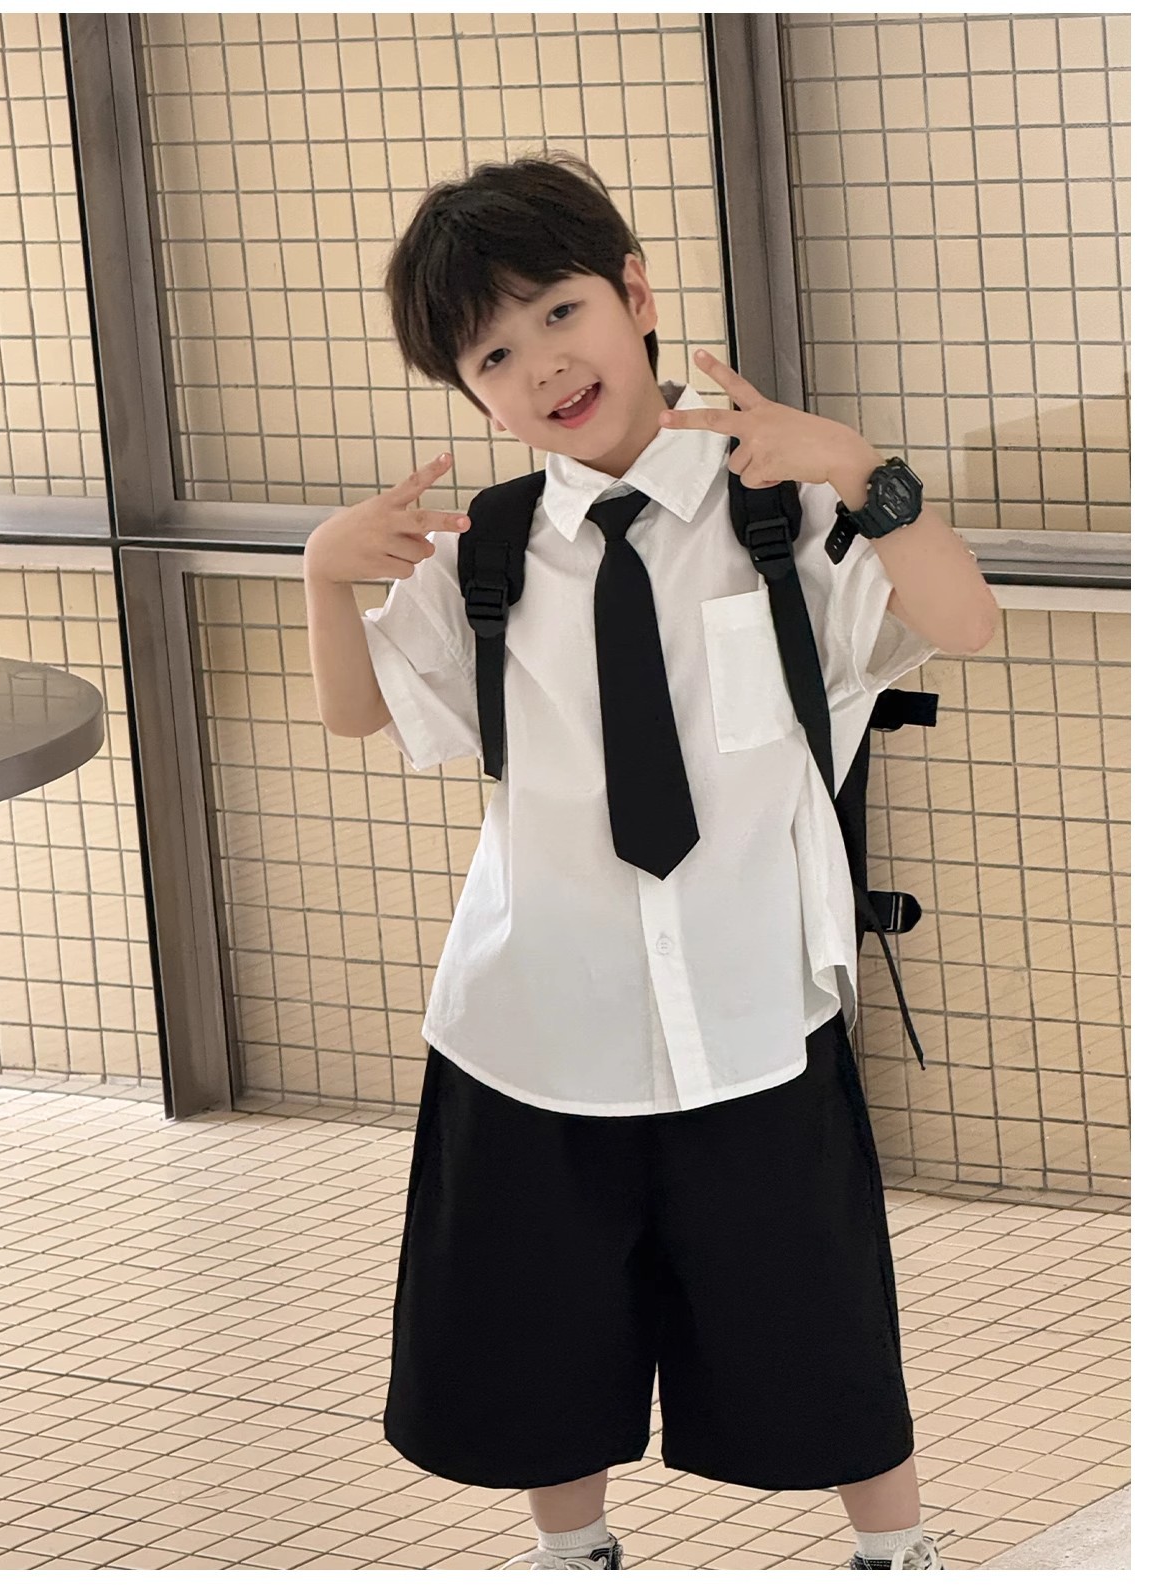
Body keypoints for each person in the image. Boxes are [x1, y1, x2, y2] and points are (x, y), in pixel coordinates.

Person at [303, 151, 997, 1572]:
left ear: (635, 295)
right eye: (495, 355)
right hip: (535, 1016)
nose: (543, 365)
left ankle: (897, 1550)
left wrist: (859, 469)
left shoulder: (780, 513)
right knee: (544, 1330)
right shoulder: (487, 556)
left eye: (560, 312)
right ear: (473, 395)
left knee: (816, 1316)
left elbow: (963, 620)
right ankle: (575, 1552)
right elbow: (363, 709)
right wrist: (325, 568)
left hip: (752, 1006)